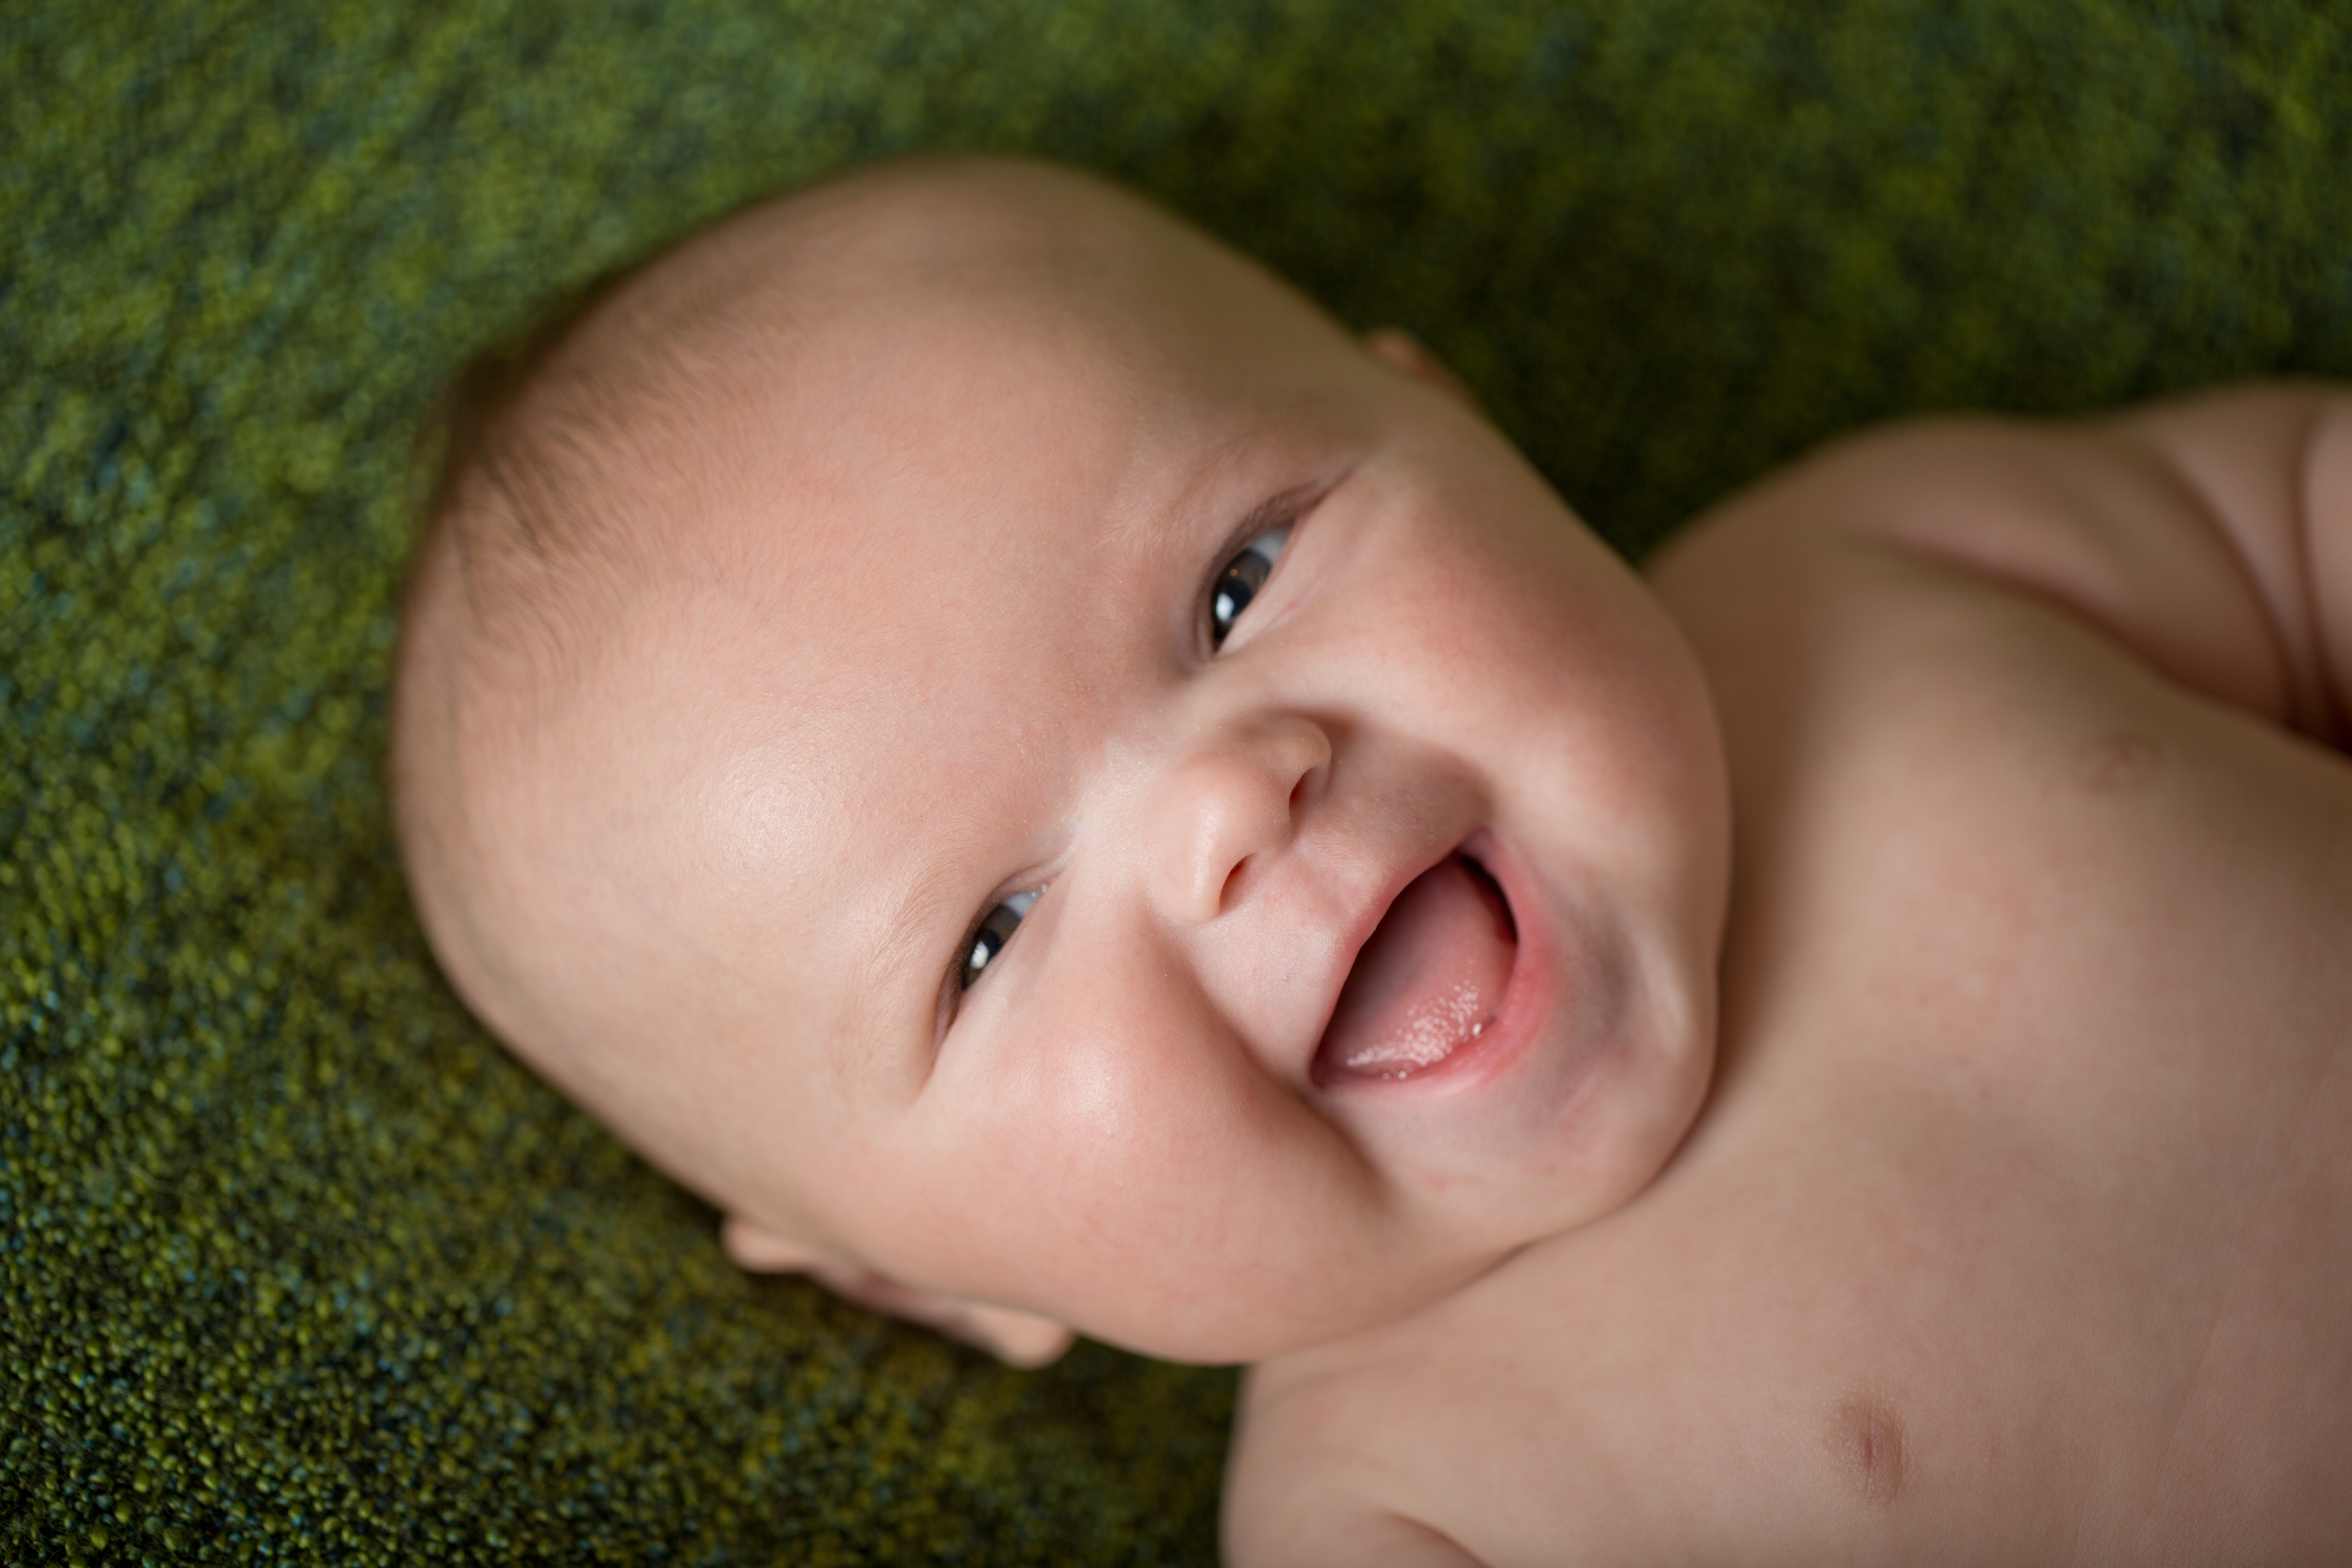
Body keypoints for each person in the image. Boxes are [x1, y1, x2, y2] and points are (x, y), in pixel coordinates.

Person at [389, 154, 2352, 1563]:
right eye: (988, 939)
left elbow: (2299, 514)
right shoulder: (1412, 1511)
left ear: (1457, 424)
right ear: (914, 1283)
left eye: (1238, 586)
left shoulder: (1864, 580)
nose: (1228, 812)